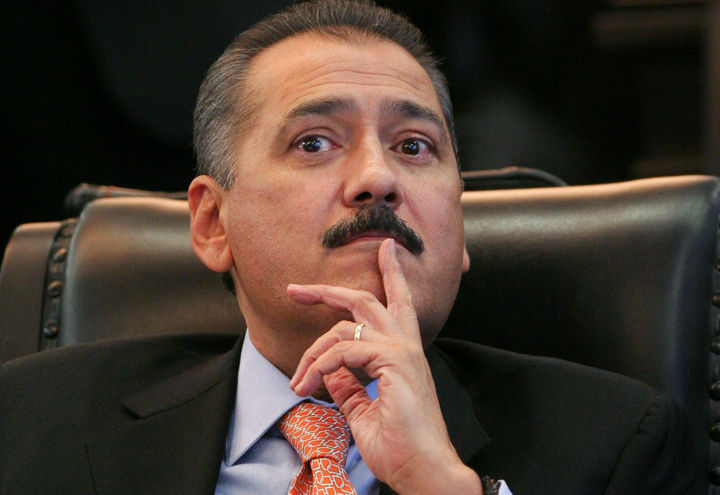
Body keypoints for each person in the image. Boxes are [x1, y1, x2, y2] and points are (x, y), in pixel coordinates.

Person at [0, 1, 697, 494]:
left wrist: (441, 485)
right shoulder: (33, 421)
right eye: (315, 142)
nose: (377, 178)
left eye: (413, 146)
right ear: (213, 223)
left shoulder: (615, 446)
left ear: (459, 232)